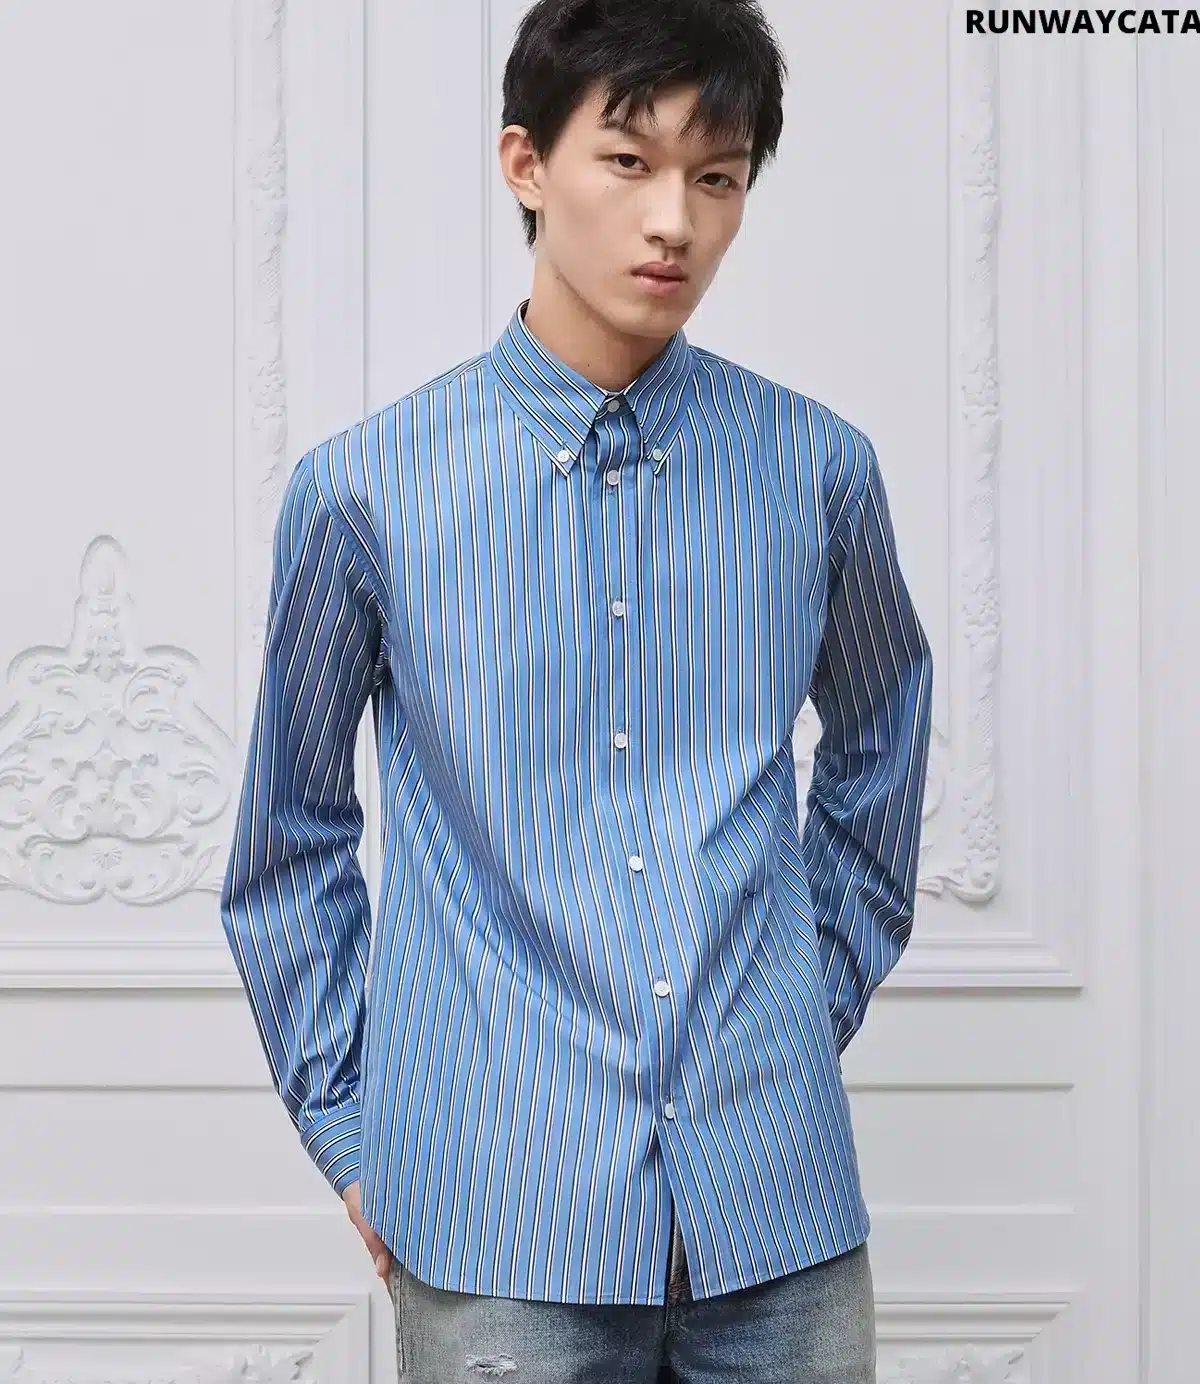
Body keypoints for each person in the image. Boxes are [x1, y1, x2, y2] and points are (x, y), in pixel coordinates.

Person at [220, 0, 933, 1378]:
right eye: (628, 161)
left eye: (717, 176)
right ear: (526, 163)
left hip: (778, 1212)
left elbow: (882, 741)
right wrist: (357, 1133)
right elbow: (287, 845)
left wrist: (801, 999)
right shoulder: (366, 492)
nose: (675, 221)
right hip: (495, 1228)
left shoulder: (819, 472)